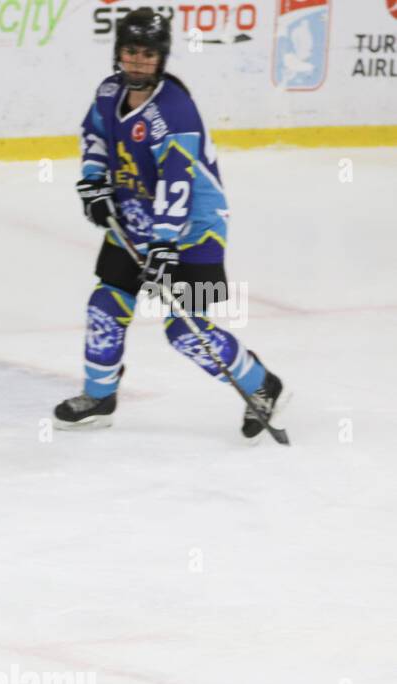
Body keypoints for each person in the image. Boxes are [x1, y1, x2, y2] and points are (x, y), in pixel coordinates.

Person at [54, 9, 287, 441]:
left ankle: (263, 386)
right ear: (117, 52)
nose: (138, 61)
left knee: (185, 329)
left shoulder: (175, 112)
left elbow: (177, 183)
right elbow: (96, 137)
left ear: (161, 57)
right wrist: (93, 185)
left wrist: (164, 247)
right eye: (130, 51)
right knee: (105, 305)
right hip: (133, 221)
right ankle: (99, 397)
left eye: (147, 53)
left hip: (196, 232)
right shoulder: (108, 92)